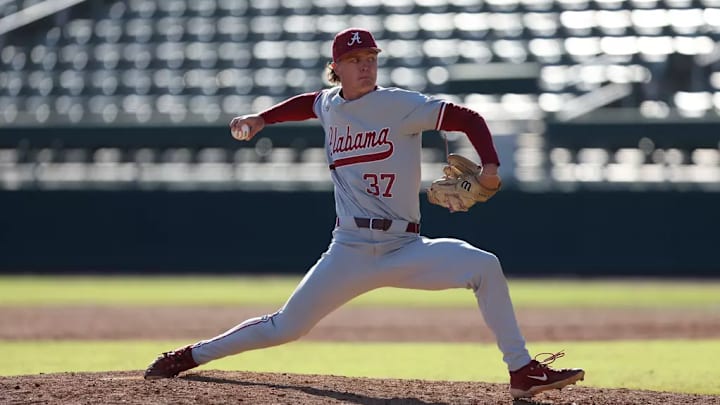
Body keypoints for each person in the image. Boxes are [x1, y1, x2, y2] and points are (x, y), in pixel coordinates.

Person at [144, 27, 585, 399]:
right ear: (336, 68)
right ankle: (187, 356)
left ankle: (522, 371)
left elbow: (466, 117)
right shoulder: (330, 104)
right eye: (355, 59)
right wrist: (263, 118)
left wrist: (490, 165)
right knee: (286, 326)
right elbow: (309, 103)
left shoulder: (398, 104)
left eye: (370, 56)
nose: (366, 65)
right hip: (350, 250)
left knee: (484, 266)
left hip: (404, 245)